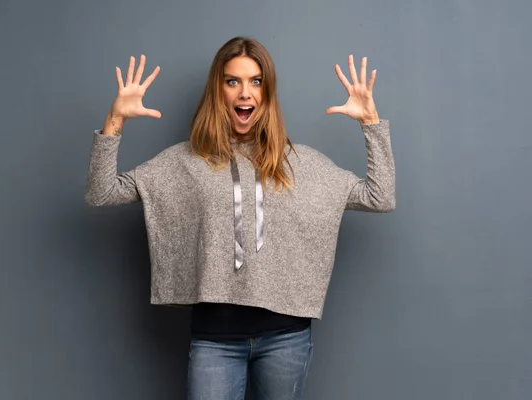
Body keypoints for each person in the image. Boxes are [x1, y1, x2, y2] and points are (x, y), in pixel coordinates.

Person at [85, 36, 395, 400]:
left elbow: (380, 196)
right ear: (219, 91)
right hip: (214, 340)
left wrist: (371, 124)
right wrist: (115, 120)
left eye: (256, 81)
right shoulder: (186, 161)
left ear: (268, 92)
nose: (244, 93)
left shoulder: (302, 163)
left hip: (287, 339)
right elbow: (101, 193)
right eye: (233, 81)